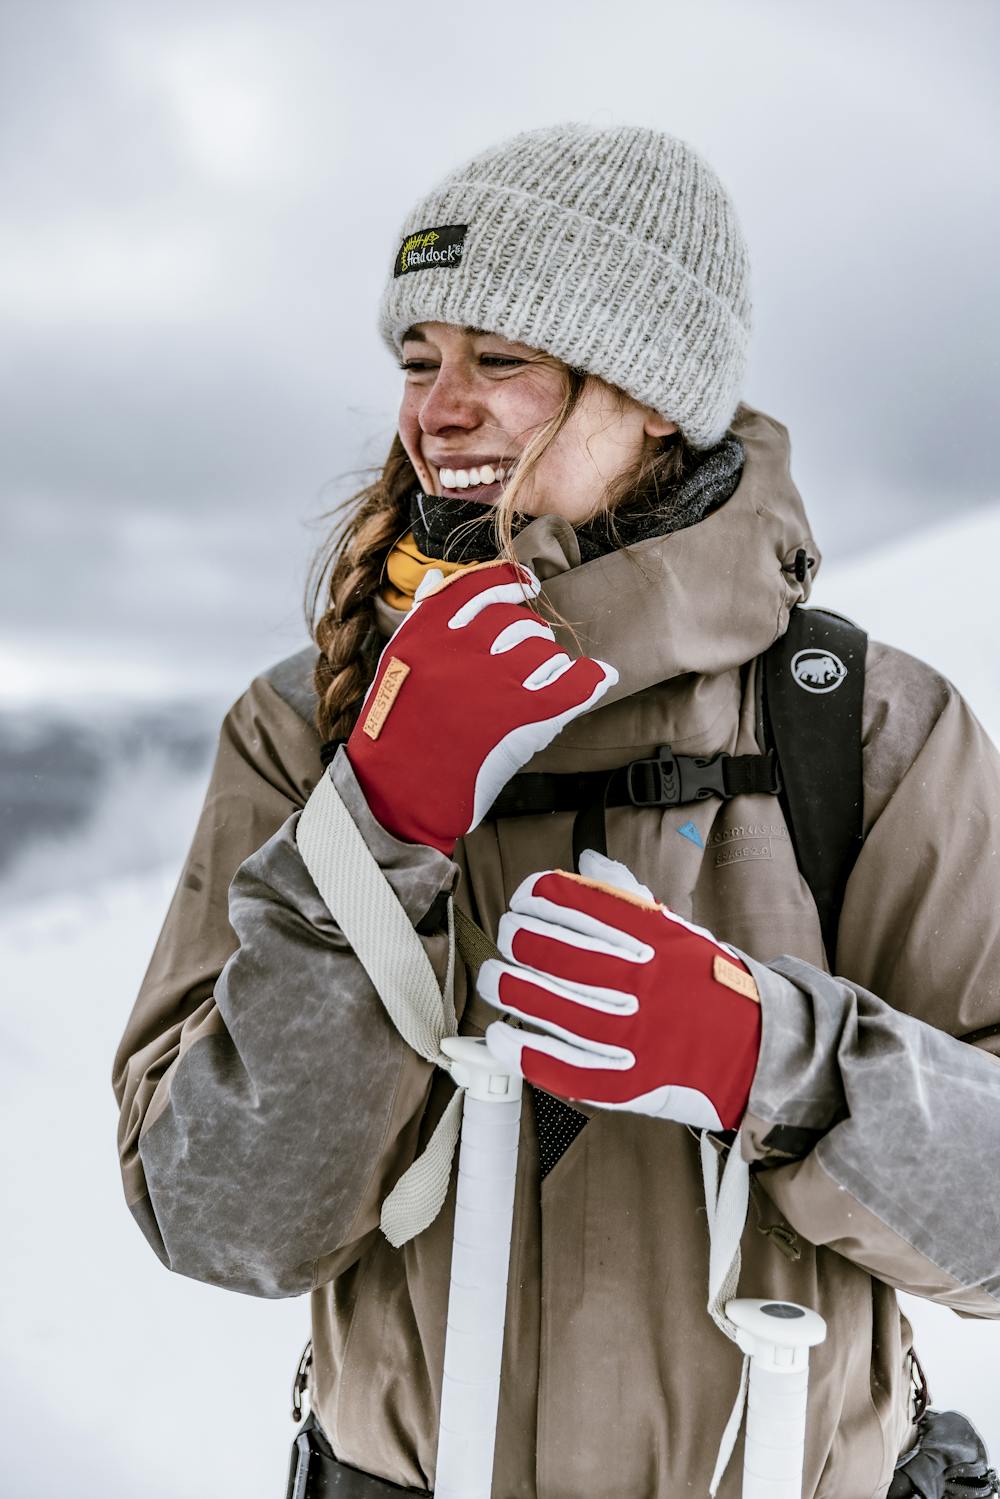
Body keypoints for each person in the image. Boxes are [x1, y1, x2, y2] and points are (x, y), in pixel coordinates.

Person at [112, 124, 1000, 1498]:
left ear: (654, 394)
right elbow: (220, 1220)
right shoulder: (313, 721)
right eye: (419, 363)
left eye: (502, 360)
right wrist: (378, 825)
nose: (436, 410)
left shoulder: (866, 727)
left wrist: (771, 1062)